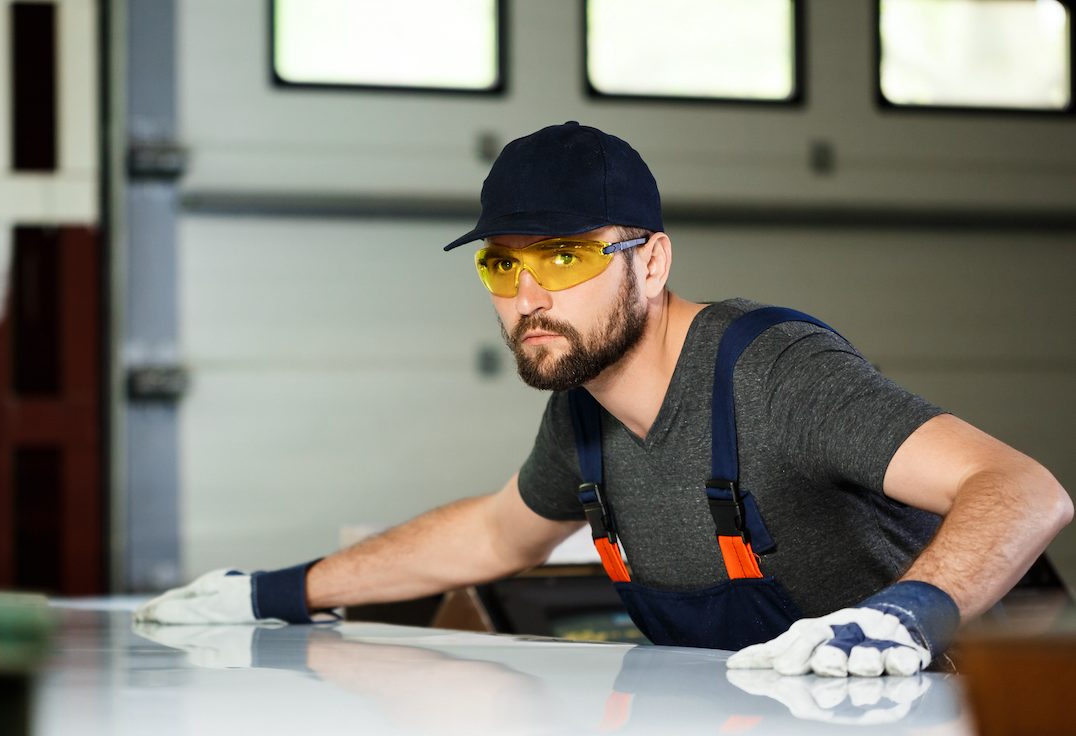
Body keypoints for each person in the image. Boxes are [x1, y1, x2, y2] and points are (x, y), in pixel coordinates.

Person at [134, 121, 1072, 677]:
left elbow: (1024, 488)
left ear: (653, 261)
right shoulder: (583, 410)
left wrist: (909, 614)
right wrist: (276, 590)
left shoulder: (773, 373)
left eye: (566, 258)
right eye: (505, 265)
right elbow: (496, 536)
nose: (527, 296)